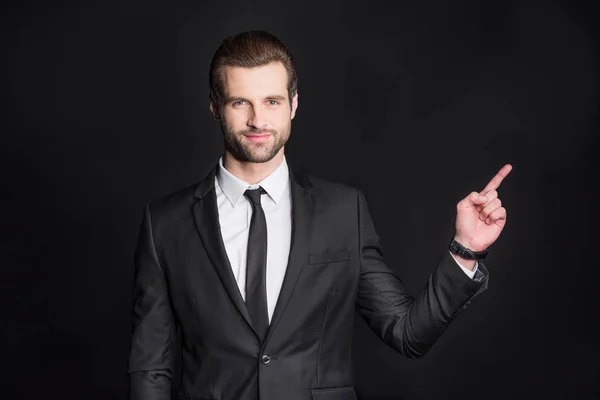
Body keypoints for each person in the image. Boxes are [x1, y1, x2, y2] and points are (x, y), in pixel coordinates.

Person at [127, 30, 512, 400]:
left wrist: (466, 251)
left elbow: (406, 333)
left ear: (294, 103)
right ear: (215, 106)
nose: (258, 121)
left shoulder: (344, 212)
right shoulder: (165, 223)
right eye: (240, 102)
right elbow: (150, 369)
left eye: (272, 101)